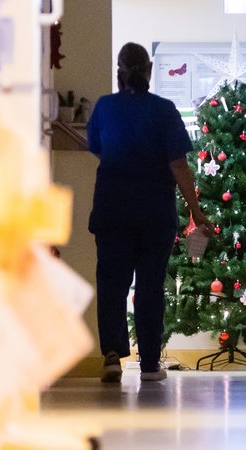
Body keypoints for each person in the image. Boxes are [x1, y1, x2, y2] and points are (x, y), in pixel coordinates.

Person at [87, 42, 213, 383]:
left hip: (112, 209)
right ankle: (149, 364)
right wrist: (196, 210)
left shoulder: (104, 107)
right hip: (154, 212)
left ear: (119, 72)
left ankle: (112, 357)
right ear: (149, 71)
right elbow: (177, 164)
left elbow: (100, 149)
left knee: (112, 283)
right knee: (149, 286)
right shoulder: (164, 110)